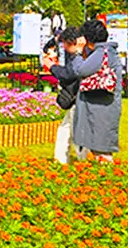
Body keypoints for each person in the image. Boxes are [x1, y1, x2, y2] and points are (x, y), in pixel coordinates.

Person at [70, 19, 123, 161]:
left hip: (101, 108)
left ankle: (105, 177)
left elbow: (80, 70)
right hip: (103, 104)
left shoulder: (101, 52)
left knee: (101, 147)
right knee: (100, 145)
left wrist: (78, 53)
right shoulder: (108, 51)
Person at [44, 27, 84, 165]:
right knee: (64, 129)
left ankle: (84, 161)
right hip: (75, 99)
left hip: (78, 99)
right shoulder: (80, 53)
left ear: (70, 42)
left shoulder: (79, 56)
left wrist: (52, 67)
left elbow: (68, 74)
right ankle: (60, 159)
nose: (64, 48)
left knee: (77, 133)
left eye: (64, 44)